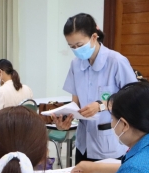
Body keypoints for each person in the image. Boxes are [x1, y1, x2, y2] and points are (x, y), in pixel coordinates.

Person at [53, 13, 137, 163]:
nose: (76, 50)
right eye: (72, 47)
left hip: (109, 144)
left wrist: (101, 106)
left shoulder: (116, 61)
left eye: (79, 45)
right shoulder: (76, 64)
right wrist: (65, 120)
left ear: (93, 37)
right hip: (83, 144)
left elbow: (134, 98)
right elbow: (75, 103)